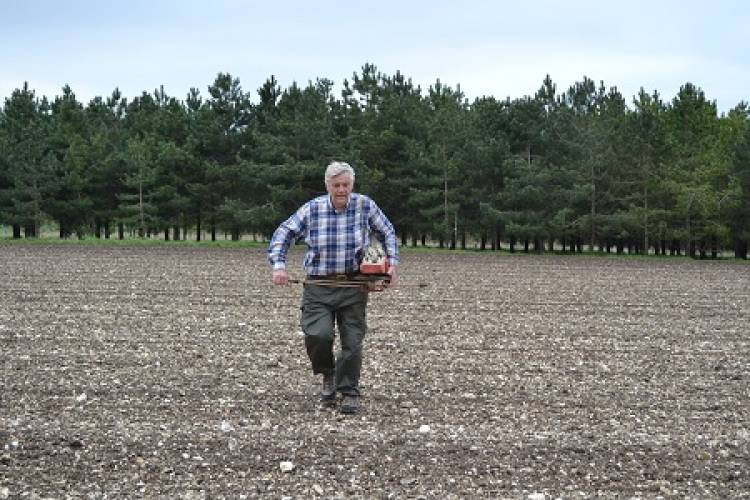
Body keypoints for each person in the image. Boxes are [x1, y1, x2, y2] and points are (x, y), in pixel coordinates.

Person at [268, 161, 399, 414]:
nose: (341, 190)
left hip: (354, 285)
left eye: (346, 185)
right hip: (319, 284)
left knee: (352, 342)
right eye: (336, 185)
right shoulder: (312, 209)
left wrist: (391, 265)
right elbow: (284, 232)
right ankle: (327, 375)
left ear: (352, 185)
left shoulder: (365, 205)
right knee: (319, 335)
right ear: (327, 186)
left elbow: (387, 232)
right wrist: (278, 266)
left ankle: (349, 391)